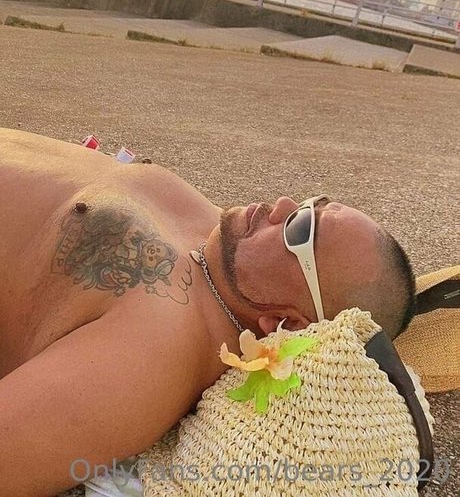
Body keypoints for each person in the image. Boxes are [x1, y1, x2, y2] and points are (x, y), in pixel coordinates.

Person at [0, 128, 416, 497]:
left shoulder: (150, 359)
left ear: (288, 322)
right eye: (310, 205)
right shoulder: (224, 243)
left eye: (300, 230)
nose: (284, 204)